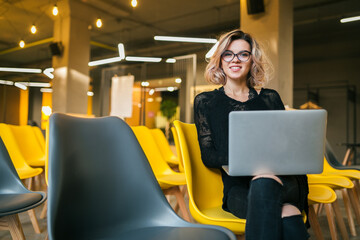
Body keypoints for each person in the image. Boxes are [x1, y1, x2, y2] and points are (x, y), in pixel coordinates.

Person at [194, 29, 309, 240]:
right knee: (286, 212)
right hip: (238, 189)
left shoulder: (270, 98)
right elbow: (208, 156)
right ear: (220, 60)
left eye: (243, 54)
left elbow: (285, 146)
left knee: (271, 188)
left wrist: (268, 166)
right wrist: (257, 165)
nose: (235, 60)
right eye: (228, 54)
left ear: (252, 60)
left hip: (283, 182)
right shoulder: (206, 102)